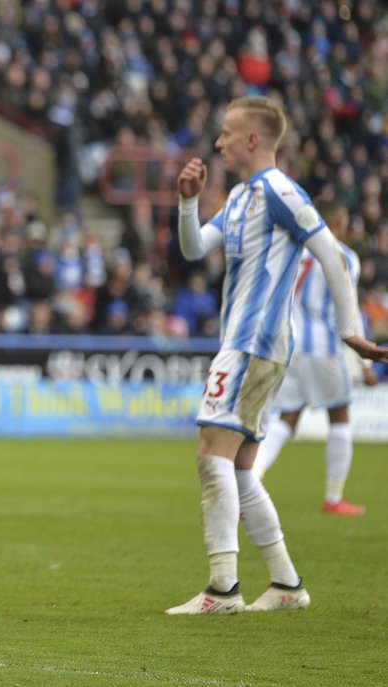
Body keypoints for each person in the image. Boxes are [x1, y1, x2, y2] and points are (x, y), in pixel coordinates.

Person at [166, 96, 388, 616]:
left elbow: (331, 255)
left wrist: (351, 332)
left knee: (210, 453)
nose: (217, 142)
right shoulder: (243, 196)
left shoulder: (281, 191)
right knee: (241, 468)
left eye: (225, 133)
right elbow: (195, 248)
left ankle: (222, 590)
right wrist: (186, 202)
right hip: (251, 346)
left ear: (252, 139)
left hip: (253, 343)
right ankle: (287, 585)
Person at [252, 200, 379, 514]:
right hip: (324, 349)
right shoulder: (345, 257)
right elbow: (349, 311)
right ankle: (334, 498)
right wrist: (364, 361)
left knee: (288, 419)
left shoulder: (294, 252)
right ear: (338, 220)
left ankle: (253, 477)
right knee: (340, 416)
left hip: (291, 347)